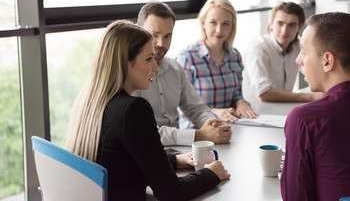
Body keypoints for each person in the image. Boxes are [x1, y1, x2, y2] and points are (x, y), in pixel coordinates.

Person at [65, 20, 230, 201]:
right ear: (124, 63)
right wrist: (211, 173)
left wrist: (174, 160)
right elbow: (172, 193)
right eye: (148, 59)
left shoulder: (89, 100)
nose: (156, 67)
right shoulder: (132, 109)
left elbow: (123, 158)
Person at [280, 12, 350, 200]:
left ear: (327, 61)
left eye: (304, 51)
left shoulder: (305, 119)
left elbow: (295, 197)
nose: (298, 60)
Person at [134, 2, 232, 146]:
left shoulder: (175, 69)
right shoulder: (130, 75)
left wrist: (213, 125)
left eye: (167, 36)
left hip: (180, 149)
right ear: (138, 30)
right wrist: (198, 135)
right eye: (154, 35)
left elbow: (196, 109)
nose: (161, 43)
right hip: (149, 150)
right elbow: (142, 132)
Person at [176, 0, 258, 123]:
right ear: (203, 23)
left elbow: (236, 95)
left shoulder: (235, 56)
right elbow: (179, 107)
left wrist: (241, 103)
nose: (219, 30)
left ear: (232, 26)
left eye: (226, 24)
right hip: (198, 131)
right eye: (213, 22)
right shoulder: (187, 57)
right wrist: (214, 112)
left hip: (230, 127)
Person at [242, 1, 324, 110]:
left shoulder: (299, 46)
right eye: (280, 23)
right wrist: (310, 96)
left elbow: (317, 72)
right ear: (271, 24)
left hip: (284, 108)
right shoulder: (257, 48)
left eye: (291, 25)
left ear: (300, 27)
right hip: (256, 113)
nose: (284, 30)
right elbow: (264, 93)